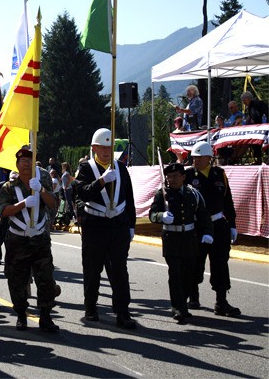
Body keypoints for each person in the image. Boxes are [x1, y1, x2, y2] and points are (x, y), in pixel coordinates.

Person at [75, 128, 137, 329]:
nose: (106, 151)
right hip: (95, 226)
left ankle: (122, 312)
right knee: (93, 269)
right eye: (102, 147)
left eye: (109, 147)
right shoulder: (85, 168)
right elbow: (83, 194)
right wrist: (101, 181)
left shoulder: (121, 168)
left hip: (118, 225)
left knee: (120, 271)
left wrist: (131, 225)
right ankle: (91, 307)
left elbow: (129, 198)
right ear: (94, 148)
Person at [0, 147, 60, 333]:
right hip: (18, 240)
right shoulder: (8, 187)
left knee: (46, 279)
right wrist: (22, 204)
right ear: (16, 165)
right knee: (17, 280)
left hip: (40, 240)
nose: (26, 164)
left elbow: (53, 204)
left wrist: (40, 190)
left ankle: (46, 316)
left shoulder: (40, 184)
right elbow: (3, 212)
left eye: (29, 161)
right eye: (22, 161)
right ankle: (21, 315)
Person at [149, 163, 213, 324]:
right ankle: (177, 307)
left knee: (189, 274)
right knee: (175, 274)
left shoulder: (193, 194)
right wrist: (161, 216)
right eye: (169, 177)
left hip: (189, 238)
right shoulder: (162, 194)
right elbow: (152, 214)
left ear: (183, 177)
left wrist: (207, 232)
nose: (172, 179)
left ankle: (183, 304)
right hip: (172, 238)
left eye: (175, 176)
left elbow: (203, 215)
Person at [185, 141, 241, 317]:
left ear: (209, 157)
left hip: (217, 225)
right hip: (197, 226)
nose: (196, 160)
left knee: (220, 264)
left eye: (200, 157)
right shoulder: (187, 175)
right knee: (195, 262)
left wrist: (232, 224)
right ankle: (193, 295)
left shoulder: (219, 174)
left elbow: (227, 201)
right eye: (194, 157)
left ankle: (221, 301)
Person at [240, 91, 268, 164]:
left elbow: (257, 116)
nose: (243, 102)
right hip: (259, 126)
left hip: (263, 126)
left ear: (248, 99)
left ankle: (260, 159)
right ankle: (259, 159)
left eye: (244, 100)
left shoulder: (255, 105)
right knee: (255, 142)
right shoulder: (252, 106)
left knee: (260, 141)